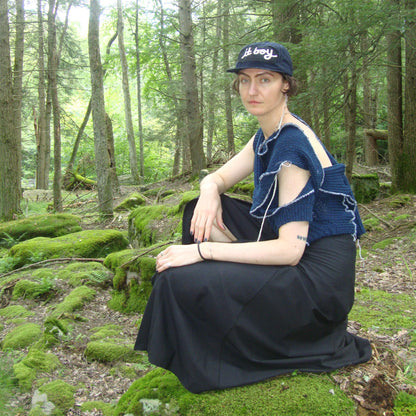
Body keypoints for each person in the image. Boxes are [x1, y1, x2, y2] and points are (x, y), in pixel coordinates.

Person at [134, 41, 372, 394]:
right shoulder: (269, 131)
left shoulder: (292, 147)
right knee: (197, 213)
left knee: (178, 279)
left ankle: (218, 347)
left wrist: (202, 253)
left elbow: (290, 251)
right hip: (299, 250)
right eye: (245, 80)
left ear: (285, 85)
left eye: (265, 80)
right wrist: (209, 192)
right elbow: (217, 177)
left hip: (316, 287)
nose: (252, 90)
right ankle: (225, 294)